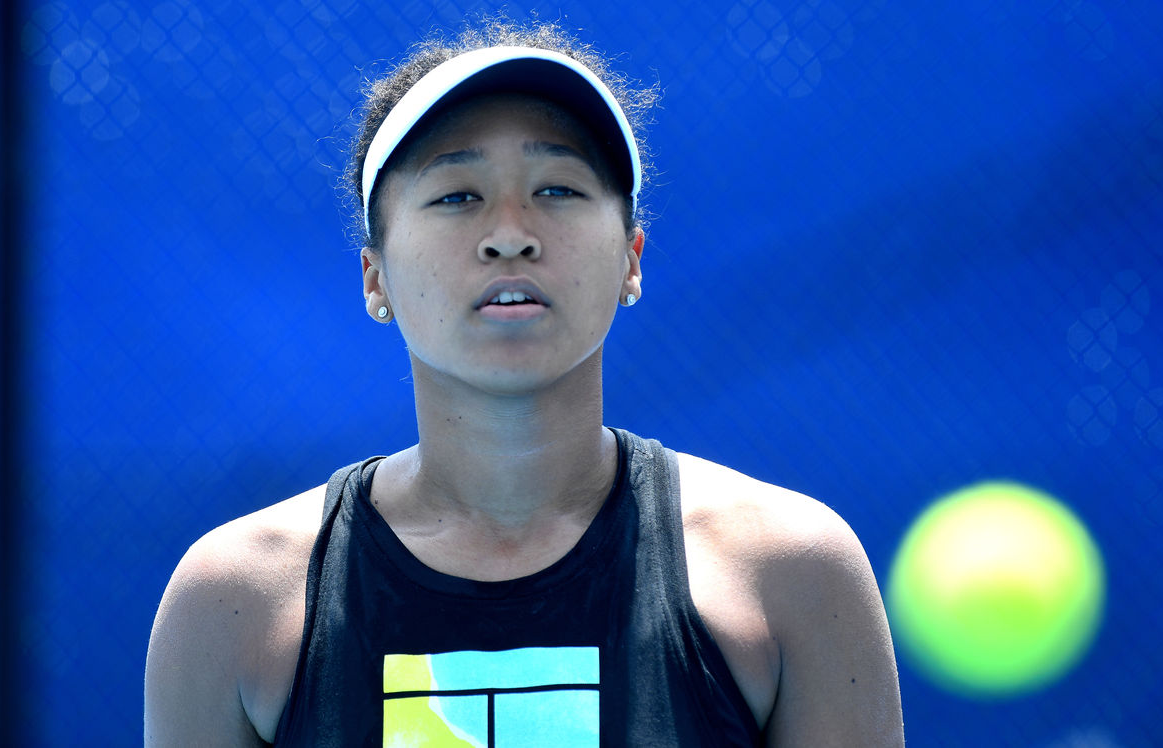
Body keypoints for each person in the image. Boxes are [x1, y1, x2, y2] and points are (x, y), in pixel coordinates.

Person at [145, 19, 903, 747]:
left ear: (632, 258)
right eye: (456, 196)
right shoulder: (233, 599)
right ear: (374, 277)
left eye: (558, 189)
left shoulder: (792, 573)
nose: (511, 232)